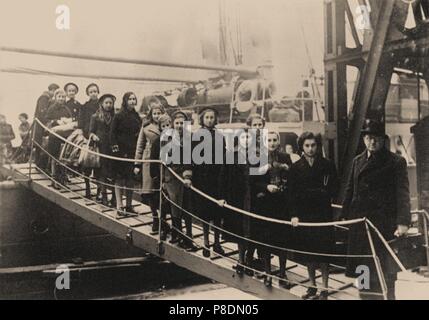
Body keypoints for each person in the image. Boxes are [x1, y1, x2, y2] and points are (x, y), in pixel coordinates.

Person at [342, 120, 410, 300]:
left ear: (383, 140)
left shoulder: (395, 162)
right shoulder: (357, 161)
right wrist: (344, 218)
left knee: (386, 273)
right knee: (363, 272)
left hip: (383, 226)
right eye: (369, 138)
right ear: (364, 139)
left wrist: (403, 222)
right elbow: (350, 190)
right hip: (360, 227)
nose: (373, 142)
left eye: (377, 139)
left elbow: (402, 193)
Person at [289, 131, 339, 300]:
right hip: (304, 215)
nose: (311, 149)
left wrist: (322, 193)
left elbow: (335, 189)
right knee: (308, 251)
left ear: (318, 146)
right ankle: (312, 286)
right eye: (307, 146)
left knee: (323, 251)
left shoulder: (327, 165)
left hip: (323, 214)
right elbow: (292, 194)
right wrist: (294, 215)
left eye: (313, 145)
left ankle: (324, 288)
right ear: (302, 147)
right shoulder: (295, 168)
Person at [252, 131, 292, 287]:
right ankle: (268, 273)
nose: (272, 143)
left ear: (279, 142)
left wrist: (285, 181)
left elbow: (292, 177)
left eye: (275, 140)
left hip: (281, 203)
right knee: (266, 239)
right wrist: (266, 186)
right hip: (265, 203)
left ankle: (282, 273)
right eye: (269, 140)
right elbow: (252, 180)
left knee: (282, 239)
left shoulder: (285, 157)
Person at [191, 107, 226, 258]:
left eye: (212, 117)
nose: (210, 120)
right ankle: (206, 242)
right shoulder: (197, 135)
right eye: (207, 117)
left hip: (217, 177)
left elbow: (224, 155)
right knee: (205, 212)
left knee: (217, 211)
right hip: (203, 177)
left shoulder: (219, 135)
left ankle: (217, 242)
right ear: (202, 119)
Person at [220, 130, 252, 276]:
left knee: (251, 228)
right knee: (240, 229)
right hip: (237, 196)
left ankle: (249, 259)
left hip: (252, 196)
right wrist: (222, 196)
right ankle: (241, 260)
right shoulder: (230, 156)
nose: (246, 140)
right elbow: (223, 177)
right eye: (243, 137)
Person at [134, 97, 166, 234]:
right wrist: (137, 163)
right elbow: (140, 145)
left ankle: (164, 221)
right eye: (155, 113)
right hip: (149, 161)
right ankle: (155, 218)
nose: (157, 116)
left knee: (163, 193)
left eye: (159, 113)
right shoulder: (146, 127)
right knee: (150, 192)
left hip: (164, 161)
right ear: (151, 115)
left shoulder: (167, 125)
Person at [110, 92, 142, 217]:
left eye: (134, 99)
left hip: (132, 151)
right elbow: (112, 133)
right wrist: (115, 147)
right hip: (120, 151)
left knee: (130, 179)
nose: (133, 101)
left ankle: (129, 205)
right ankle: (119, 206)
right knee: (119, 178)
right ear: (125, 101)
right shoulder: (118, 115)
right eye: (130, 99)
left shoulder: (136, 116)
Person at [89, 94, 116, 207]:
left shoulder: (115, 116)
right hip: (101, 146)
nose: (108, 105)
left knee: (113, 171)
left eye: (110, 103)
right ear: (102, 104)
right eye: (106, 103)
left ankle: (114, 197)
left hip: (112, 146)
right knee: (102, 171)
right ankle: (103, 195)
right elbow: (90, 131)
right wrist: (93, 136)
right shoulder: (95, 116)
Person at [45, 89, 73, 188]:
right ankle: (54, 180)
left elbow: (71, 120)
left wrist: (68, 121)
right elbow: (47, 120)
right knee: (54, 157)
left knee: (64, 157)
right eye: (59, 97)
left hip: (64, 136)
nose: (61, 99)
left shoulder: (66, 109)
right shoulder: (51, 108)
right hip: (54, 136)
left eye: (63, 97)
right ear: (56, 97)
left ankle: (63, 179)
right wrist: (56, 121)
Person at [78, 83, 100, 199]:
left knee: (100, 164)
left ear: (98, 92)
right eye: (91, 92)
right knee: (88, 162)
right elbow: (81, 122)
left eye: (95, 91)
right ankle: (87, 188)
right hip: (88, 135)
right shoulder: (84, 106)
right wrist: (85, 134)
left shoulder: (103, 104)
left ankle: (99, 191)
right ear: (88, 93)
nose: (93, 93)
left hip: (100, 135)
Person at [34, 83, 59, 167]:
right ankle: (39, 165)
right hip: (40, 125)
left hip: (43, 125)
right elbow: (42, 112)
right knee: (41, 145)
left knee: (43, 145)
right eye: (55, 91)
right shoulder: (44, 98)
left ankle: (41, 165)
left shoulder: (48, 98)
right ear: (52, 90)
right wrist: (49, 121)